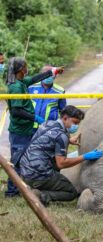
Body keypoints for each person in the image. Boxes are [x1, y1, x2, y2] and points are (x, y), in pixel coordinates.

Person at [19, 105, 103, 206]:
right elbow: (61, 163)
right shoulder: (61, 136)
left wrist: (69, 140)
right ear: (65, 118)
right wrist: (84, 157)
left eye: (78, 123)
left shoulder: (48, 123)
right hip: (38, 175)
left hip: (24, 172)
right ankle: (42, 195)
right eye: (75, 122)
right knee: (71, 193)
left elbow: (49, 139)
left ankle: (34, 187)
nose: (76, 126)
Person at [5, 57, 64, 197]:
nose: (28, 69)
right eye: (26, 66)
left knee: (23, 159)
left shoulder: (21, 82)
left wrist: (53, 71)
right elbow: (16, 111)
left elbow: (35, 78)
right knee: (17, 161)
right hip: (20, 131)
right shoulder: (16, 87)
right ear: (20, 69)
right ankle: (12, 192)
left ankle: (20, 188)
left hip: (26, 129)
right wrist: (36, 118)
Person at [28, 65, 66, 133]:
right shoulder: (31, 87)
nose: (48, 77)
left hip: (49, 128)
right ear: (41, 75)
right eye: (45, 74)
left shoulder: (60, 91)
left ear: (55, 75)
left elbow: (63, 111)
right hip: (30, 127)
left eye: (50, 74)